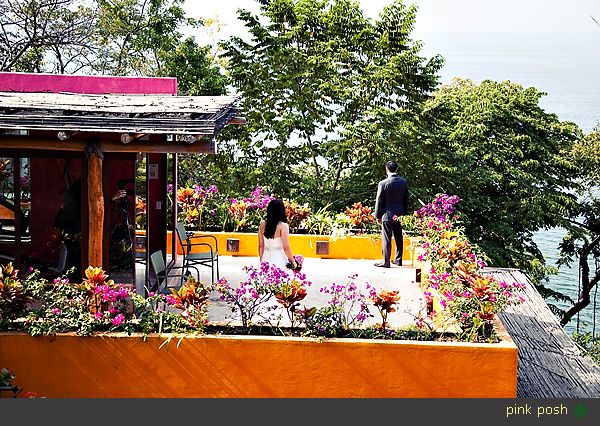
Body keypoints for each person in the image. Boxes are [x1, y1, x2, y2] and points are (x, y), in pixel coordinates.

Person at [374, 161, 409, 268]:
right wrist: (404, 213)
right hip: (400, 213)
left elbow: (379, 200)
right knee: (399, 236)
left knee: (386, 238)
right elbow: (406, 199)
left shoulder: (383, 183)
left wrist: (377, 216)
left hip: (387, 214)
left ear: (386, 169)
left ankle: (386, 261)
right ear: (397, 169)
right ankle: (398, 260)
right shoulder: (403, 182)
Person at [258, 199, 298, 272]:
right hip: (279, 258)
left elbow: (261, 245)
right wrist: (293, 261)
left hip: (265, 257)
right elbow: (286, 247)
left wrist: (261, 260)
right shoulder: (283, 226)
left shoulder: (262, 224)